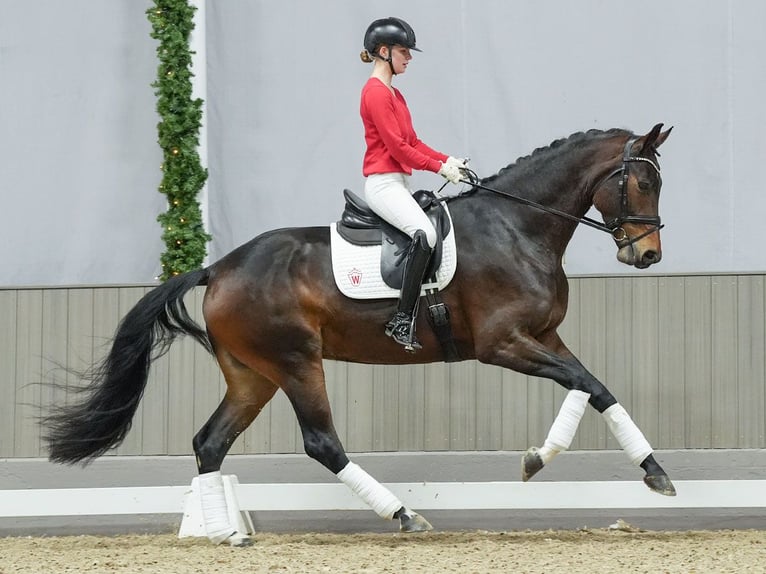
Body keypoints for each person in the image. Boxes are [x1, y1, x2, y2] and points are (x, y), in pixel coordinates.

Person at [359, 16, 465, 352]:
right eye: (404, 51)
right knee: (426, 234)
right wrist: (438, 169)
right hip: (382, 184)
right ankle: (401, 319)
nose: (409, 57)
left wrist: (448, 160)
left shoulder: (395, 94)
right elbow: (396, 148)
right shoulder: (375, 93)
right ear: (384, 51)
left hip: (398, 182)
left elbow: (414, 141)